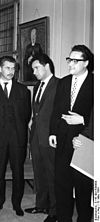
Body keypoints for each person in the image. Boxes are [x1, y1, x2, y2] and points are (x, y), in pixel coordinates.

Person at [49, 45, 94, 222]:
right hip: (62, 139)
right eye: (69, 60)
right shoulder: (64, 81)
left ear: (86, 63)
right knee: (62, 184)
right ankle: (64, 218)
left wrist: (82, 120)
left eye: (75, 60)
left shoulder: (94, 83)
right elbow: (56, 109)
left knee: (83, 187)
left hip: (83, 142)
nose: (70, 64)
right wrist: (52, 132)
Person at [0, 56, 31, 216]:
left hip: (18, 138)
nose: (11, 71)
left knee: (18, 172)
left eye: (13, 68)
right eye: (7, 68)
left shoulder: (23, 90)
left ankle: (17, 204)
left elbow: (26, 115)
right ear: (0, 69)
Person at [24, 54, 58, 222]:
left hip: (51, 138)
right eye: (32, 69)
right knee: (39, 173)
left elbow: (59, 113)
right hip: (36, 136)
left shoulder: (59, 85)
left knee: (52, 174)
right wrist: (32, 119)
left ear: (47, 66)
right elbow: (37, 109)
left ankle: (54, 211)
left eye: (36, 68)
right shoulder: (37, 86)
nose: (34, 72)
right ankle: (41, 204)